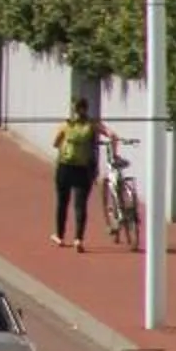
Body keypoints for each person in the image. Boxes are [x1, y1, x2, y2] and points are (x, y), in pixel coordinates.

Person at [49, 100, 112, 251]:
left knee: (62, 203)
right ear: (86, 109)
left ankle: (60, 236)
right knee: (80, 205)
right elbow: (109, 134)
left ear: (74, 109)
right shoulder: (92, 125)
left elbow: (55, 143)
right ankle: (78, 239)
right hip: (83, 169)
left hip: (65, 167)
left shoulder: (66, 125)